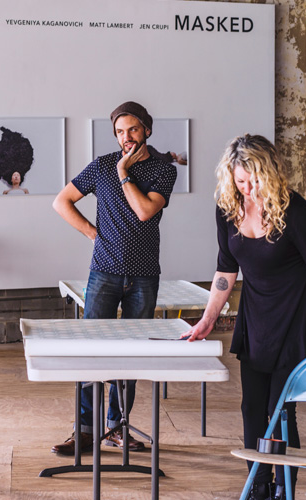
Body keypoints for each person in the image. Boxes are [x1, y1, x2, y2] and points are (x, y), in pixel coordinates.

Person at [181, 134, 306, 500]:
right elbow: (225, 270)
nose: (248, 189)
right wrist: (207, 319)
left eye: (254, 180)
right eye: (240, 181)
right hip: (256, 317)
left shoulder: (294, 212)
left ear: (270, 173)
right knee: (252, 407)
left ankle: (285, 488)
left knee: (280, 410)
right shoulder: (227, 209)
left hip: (294, 319)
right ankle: (258, 485)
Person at [51, 101, 177, 455]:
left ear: (147, 130)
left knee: (132, 354)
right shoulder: (101, 166)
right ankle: (86, 431)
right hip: (103, 272)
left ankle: (118, 427)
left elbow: (143, 211)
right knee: (91, 352)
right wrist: (92, 232)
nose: (126, 137)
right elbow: (62, 202)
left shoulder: (162, 170)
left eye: (133, 130)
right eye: (120, 132)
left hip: (144, 275)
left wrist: (123, 171)